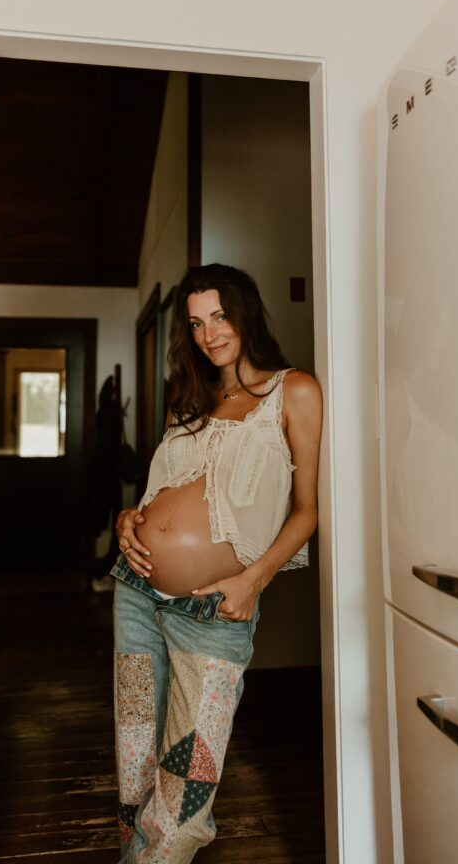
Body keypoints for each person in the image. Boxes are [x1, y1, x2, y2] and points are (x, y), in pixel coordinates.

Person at [110, 263, 323, 863]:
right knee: (135, 767)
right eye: (197, 323)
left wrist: (254, 580)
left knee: (183, 795)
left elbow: (307, 509)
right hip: (136, 589)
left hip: (213, 608)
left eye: (220, 316)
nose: (210, 334)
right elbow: (168, 491)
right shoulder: (191, 398)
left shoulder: (294, 391)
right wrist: (131, 518)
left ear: (246, 312)